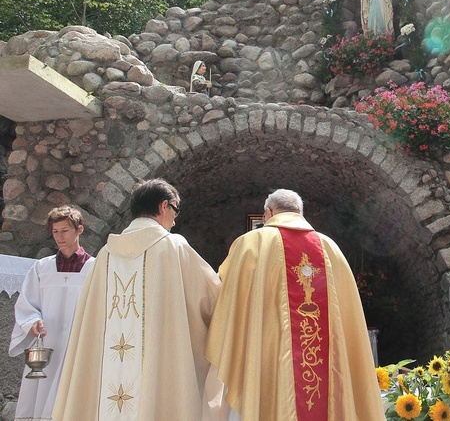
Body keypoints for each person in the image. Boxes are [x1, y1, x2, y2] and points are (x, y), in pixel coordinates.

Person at [205, 189, 384, 420]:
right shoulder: (330, 248)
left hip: (267, 353)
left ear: (268, 212)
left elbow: (223, 292)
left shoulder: (250, 243)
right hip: (326, 365)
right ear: (299, 212)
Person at [53, 178, 222, 420]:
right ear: (164, 206)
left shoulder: (105, 254)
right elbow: (213, 299)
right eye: (175, 210)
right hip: (158, 370)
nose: (175, 219)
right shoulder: (173, 247)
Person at [8, 206, 94, 421]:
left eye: (64, 230)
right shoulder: (41, 268)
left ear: (79, 230)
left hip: (79, 343)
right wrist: (33, 322)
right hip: (48, 342)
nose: (59, 237)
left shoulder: (95, 268)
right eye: (55, 231)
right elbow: (27, 303)